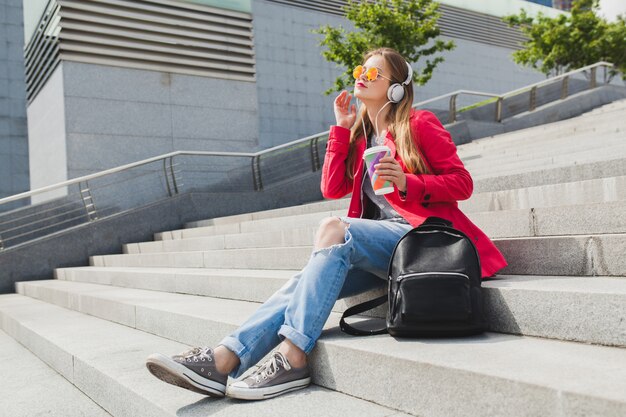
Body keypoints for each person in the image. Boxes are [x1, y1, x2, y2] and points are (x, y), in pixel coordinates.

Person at [145, 47, 508, 401]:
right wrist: (341, 130)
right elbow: (331, 187)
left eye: (373, 74)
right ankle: (224, 359)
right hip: (380, 247)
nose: (361, 78)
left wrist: (407, 182)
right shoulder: (361, 137)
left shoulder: (418, 123)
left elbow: (462, 183)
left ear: (396, 88)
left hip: (419, 241)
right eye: (359, 72)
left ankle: (292, 355)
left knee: (334, 228)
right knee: (303, 280)